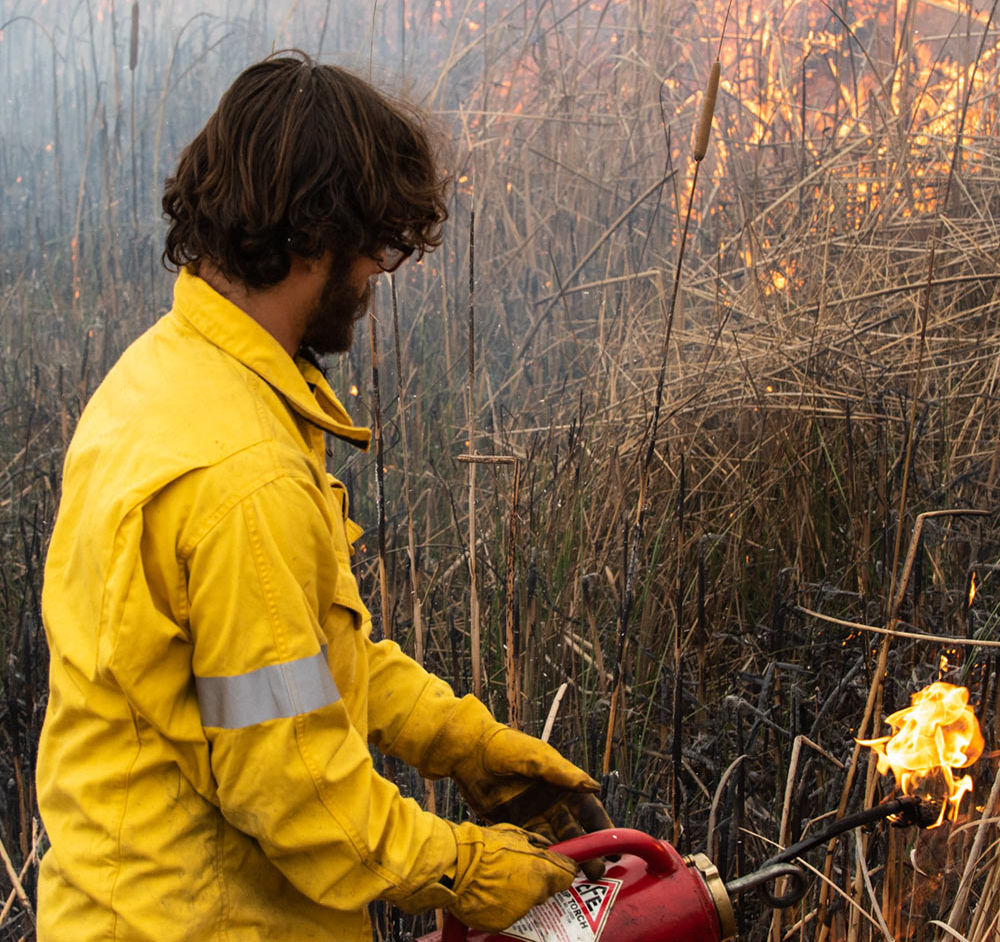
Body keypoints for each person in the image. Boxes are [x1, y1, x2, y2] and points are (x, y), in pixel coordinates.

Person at [35, 52, 612, 941]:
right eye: (376, 244)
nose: (379, 274)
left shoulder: (163, 379)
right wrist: (464, 868)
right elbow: (297, 790)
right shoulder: (240, 476)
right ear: (314, 234)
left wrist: (460, 742)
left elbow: (286, 668)